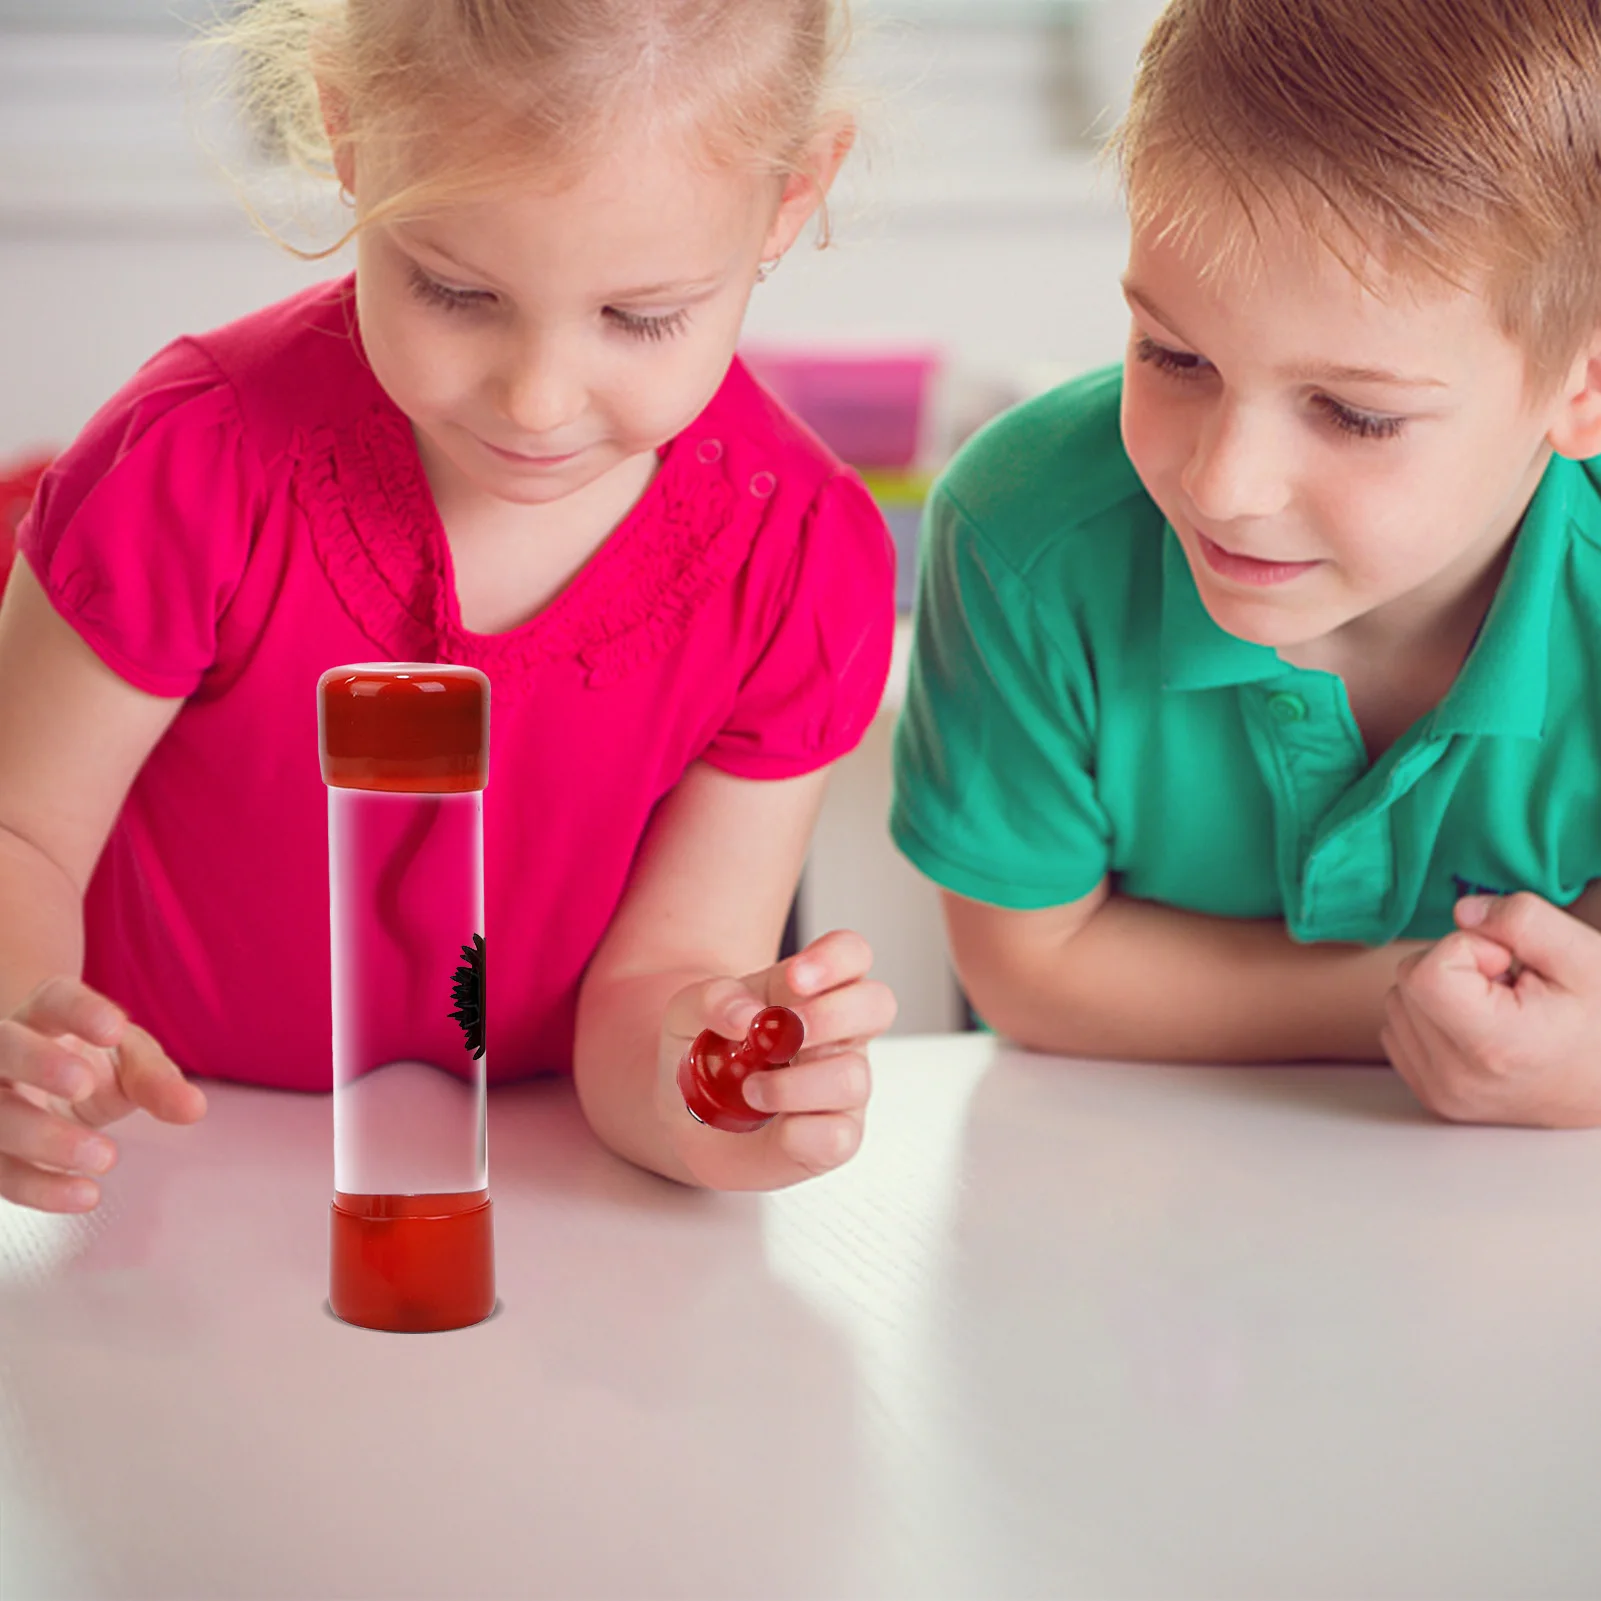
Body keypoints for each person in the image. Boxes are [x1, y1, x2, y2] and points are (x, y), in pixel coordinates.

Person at [0, 0, 898, 1214]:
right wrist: (24, 1033)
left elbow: (659, 985)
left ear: (793, 194)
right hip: (158, 1170)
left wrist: (715, 1090)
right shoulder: (188, 462)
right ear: (346, 131)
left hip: (529, 1204)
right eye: (453, 290)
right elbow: (21, 837)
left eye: (639, 318)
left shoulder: (794, 561)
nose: (535, 401)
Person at [891, 0, 1601, 1127]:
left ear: (1581, 384)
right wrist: (1413, 999)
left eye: (1354, 414)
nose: (1222, 484)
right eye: (1171, 354)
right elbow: (1029, 969)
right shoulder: (1020, 534)